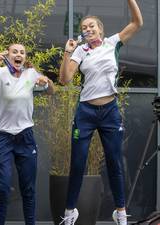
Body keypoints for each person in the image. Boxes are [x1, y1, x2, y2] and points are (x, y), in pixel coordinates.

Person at [58, 0, 143, 224]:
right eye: (84, 27)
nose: (87, 29)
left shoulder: (112, 43)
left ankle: (121, 213)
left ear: (100, 29)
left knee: (115, 162)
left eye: (91, 26)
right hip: (86, 112)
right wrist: (67, 53)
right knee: (78, 163)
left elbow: (137, 22)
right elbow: (65, 80)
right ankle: (69, 213)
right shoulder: (80, 50)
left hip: (109, 112)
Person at [0, 44, 54, 225]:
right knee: (2, 188)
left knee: (28, 189)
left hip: (25, 138)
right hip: (3, 138)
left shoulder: (30, 74)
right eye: (15, 52)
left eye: (22, 52)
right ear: (7, 55)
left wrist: (47, 82)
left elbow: (51, 91)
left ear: (25, 57)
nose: (19, 55)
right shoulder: (0, 73)